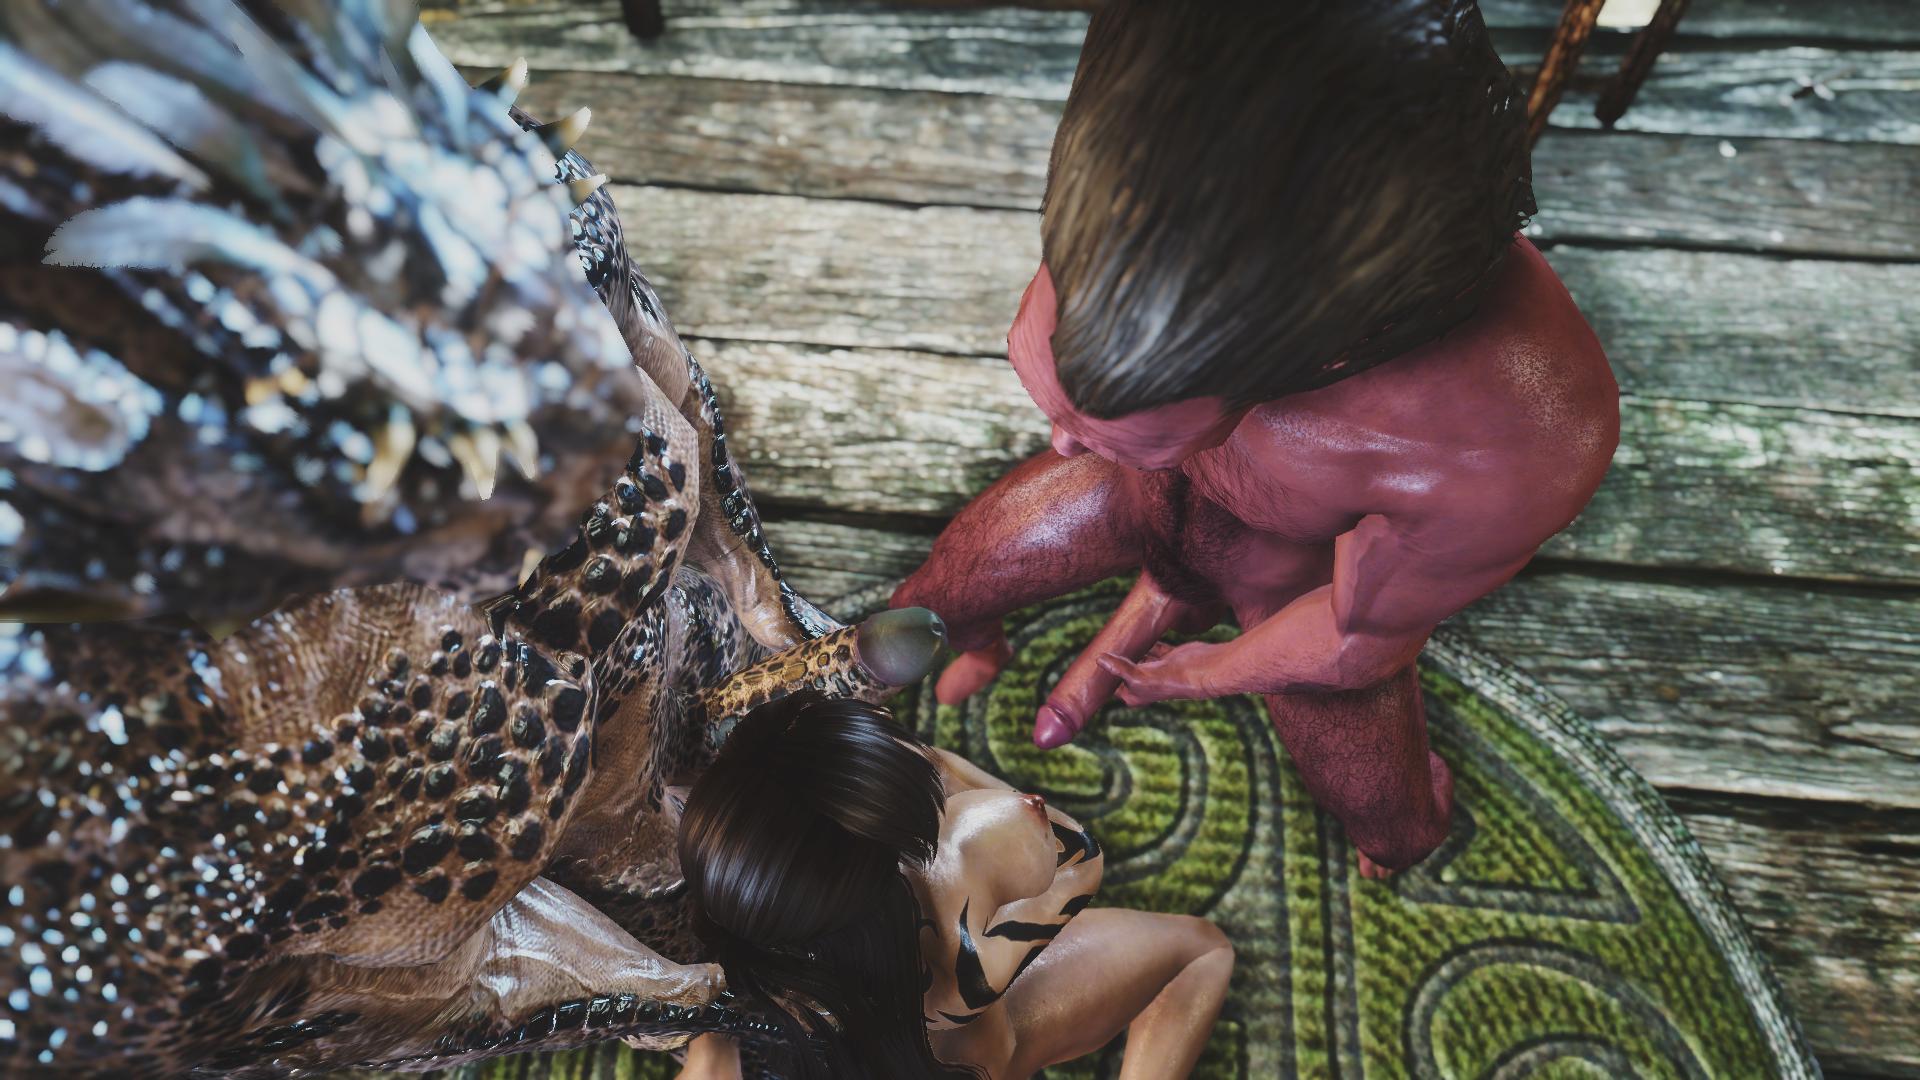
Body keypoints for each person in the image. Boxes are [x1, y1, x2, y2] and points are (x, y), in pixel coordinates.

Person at [890, 0, 1619, 878]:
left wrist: (1200, 671)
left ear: (1323, 359)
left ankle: (1406, 828)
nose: (1063, 443)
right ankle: (990, 639)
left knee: (1387, 821)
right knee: (934, 595)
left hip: (1290, 576)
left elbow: (1352, 639)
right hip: (1142, 500)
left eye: (1115, 425)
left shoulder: (1509, 437)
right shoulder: (1143, 191)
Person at [675, 692, 1234, 1079]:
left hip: (913, 1045)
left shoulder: (768, 942)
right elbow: (1076, 856)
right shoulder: (961, 968)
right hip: (994, 1055)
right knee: (1202, 950)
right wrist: (926, 768)